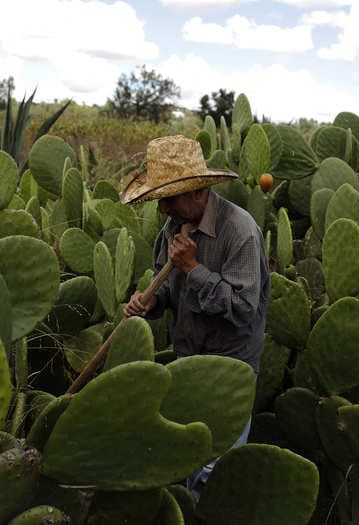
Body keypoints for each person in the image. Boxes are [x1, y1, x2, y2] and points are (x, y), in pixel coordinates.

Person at [121, 134, 270, 500]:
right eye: (159, 200)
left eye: (168, 199)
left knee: (216, 471)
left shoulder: (240, 233)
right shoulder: (172, 230)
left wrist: (194, 268)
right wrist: (150, 304)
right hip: (188, 361)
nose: (162, 209)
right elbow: (169, 289)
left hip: (228, 366)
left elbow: (243, 308)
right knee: (189, 458)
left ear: (198, 193)